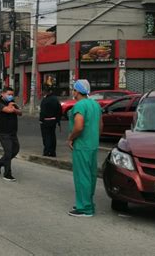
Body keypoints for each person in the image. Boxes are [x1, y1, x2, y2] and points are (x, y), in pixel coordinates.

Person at [67, 79, 103, 217]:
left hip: (82, 146)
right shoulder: (95, 105)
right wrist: (94, 137)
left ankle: (85, 208)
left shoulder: (80, 106)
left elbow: (78, 126)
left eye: (74, 90)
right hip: (93, 145)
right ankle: (87, 203)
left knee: (82, 177)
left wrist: (71, 138)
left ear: (76, 91)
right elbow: (101, 126)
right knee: (91, 176)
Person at [0, 87, 22, 182]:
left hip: (13, 132)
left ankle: (0, 162)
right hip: (3, 132)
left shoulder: (12, 102)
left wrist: (14, 108)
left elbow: (20, 112)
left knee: (16, 149)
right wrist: (11, 106)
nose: (11, 96)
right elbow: (8, 110)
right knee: (8, 151)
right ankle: (7, 174)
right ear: (3, 94)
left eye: (12, 95)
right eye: (9, 94)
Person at [39, 86, 62, 157]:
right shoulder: (55, 99)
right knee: (52, 136)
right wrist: (58, 120)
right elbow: (59, 110)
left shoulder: (45, 100)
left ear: (45, 92)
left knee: (46, 137)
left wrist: (41, 120)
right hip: (53, 121)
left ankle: (47, 151)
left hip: (45, 121)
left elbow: (42, 112)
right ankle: (52, 152)